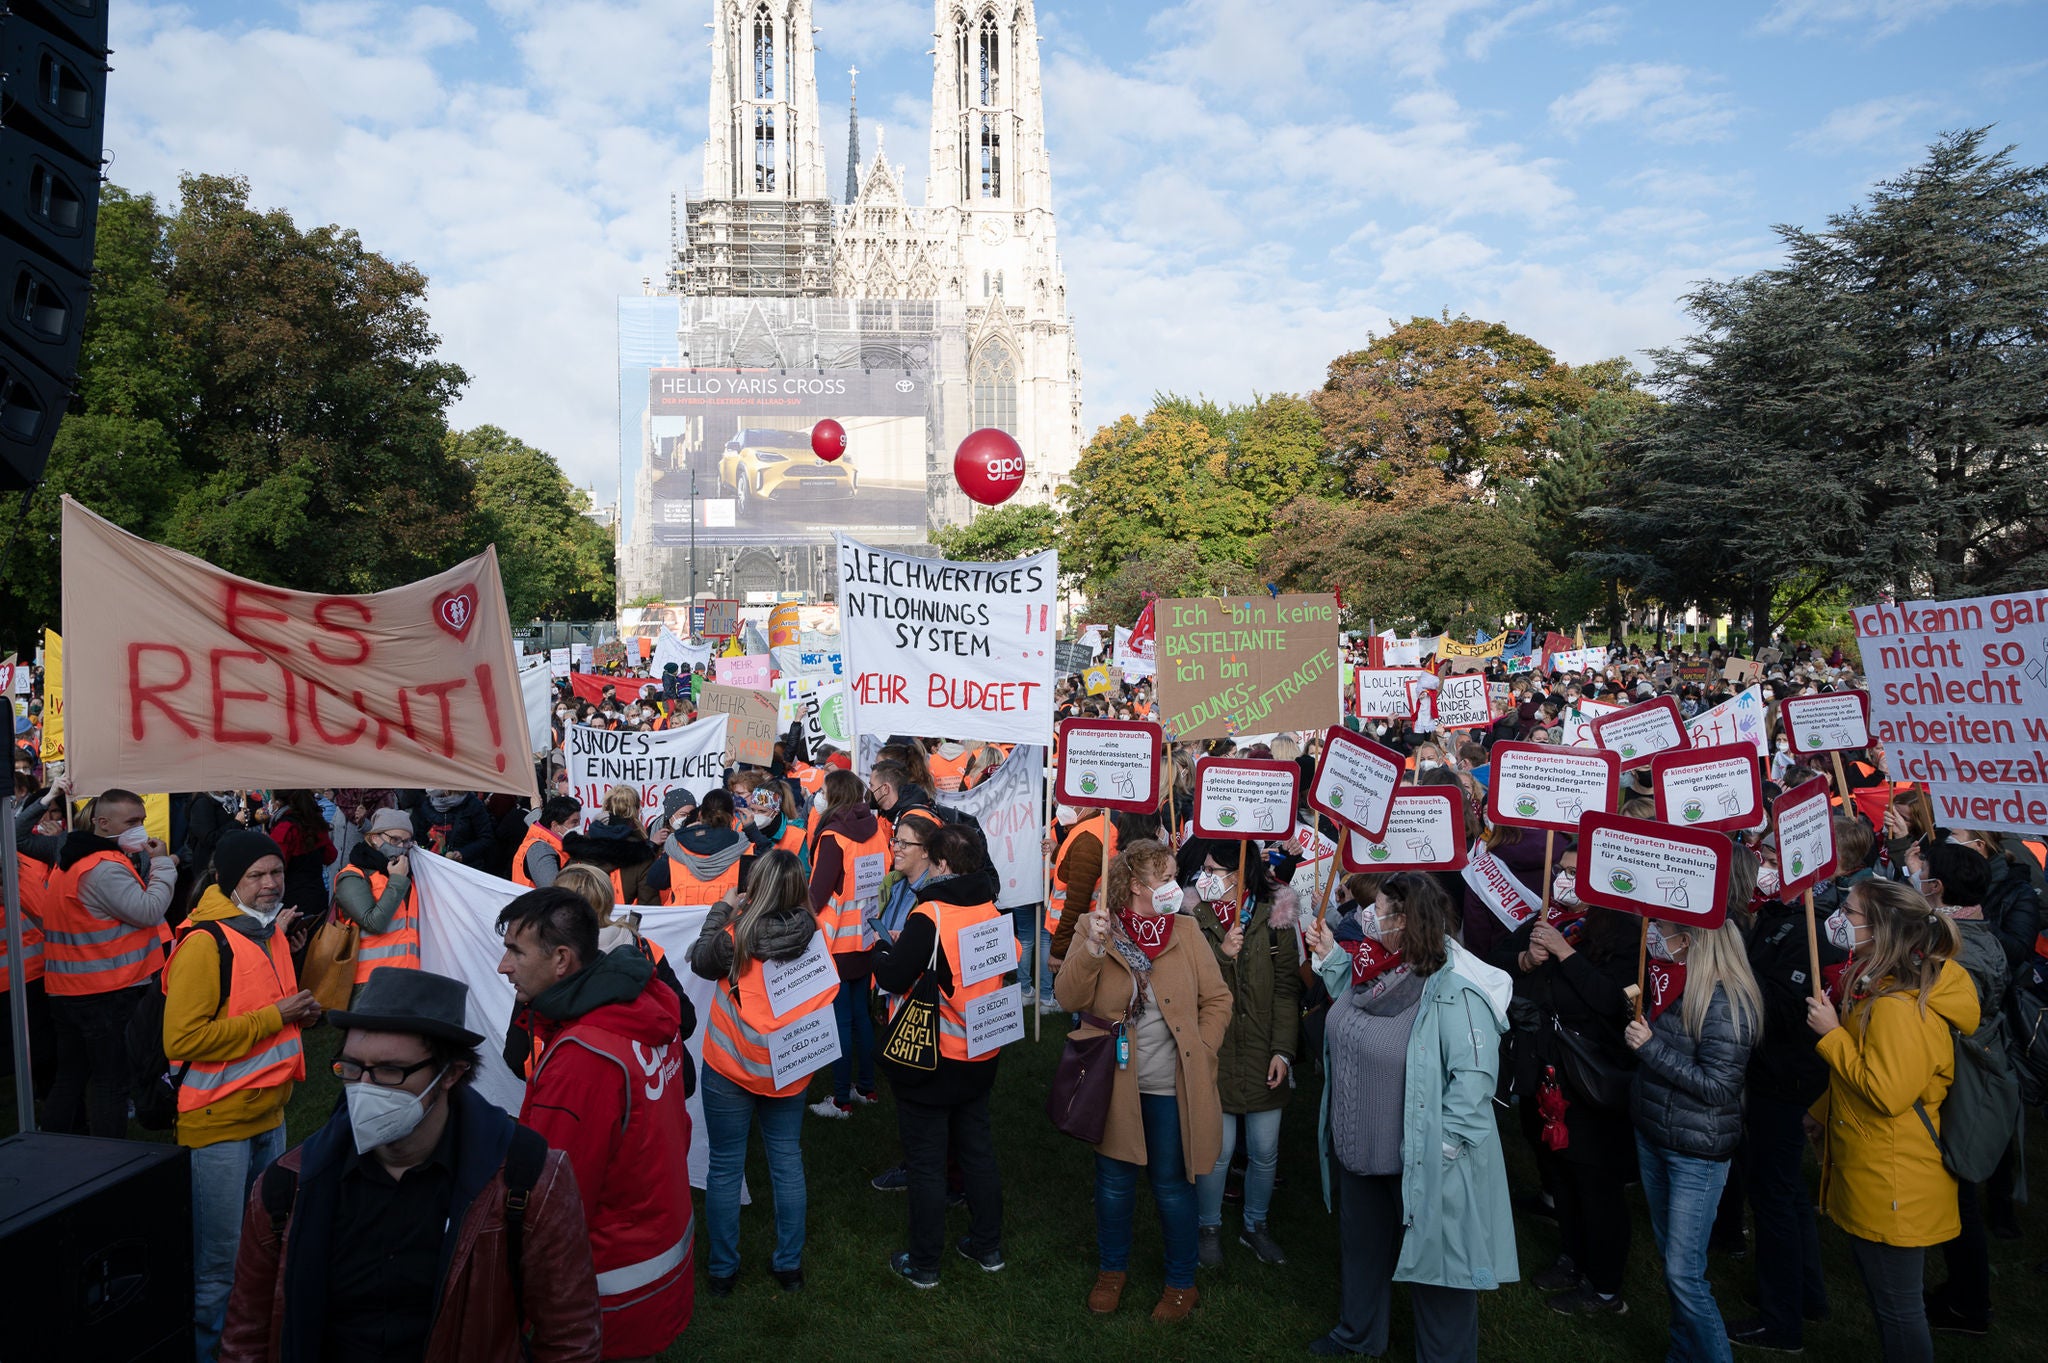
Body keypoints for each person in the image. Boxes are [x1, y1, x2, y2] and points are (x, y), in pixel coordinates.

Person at [218, 968, 602, 1363]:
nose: (365, 1088)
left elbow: (569, 1340)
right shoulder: (288, 1187)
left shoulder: (526, 1179)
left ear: (451, 1074)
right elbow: (246, 1339)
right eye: (352, 1068)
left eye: (389, 1071)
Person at [1307, 871, 1517, 1359]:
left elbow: (1474, 1080)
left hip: (1424, 1162)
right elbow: (1358, 1000)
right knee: (1361, 1250)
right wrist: (1332, 958)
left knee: (1440, 1269)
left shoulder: (1456, 988)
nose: (1366, 917)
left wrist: (1445, 1148)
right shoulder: (1375, 965)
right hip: (1361, 1148)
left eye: (1377, 910)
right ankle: (1357, 1334)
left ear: (1403, 922)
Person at [497, 887, 694, 1359]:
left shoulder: (583, 1058)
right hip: (657, 1260)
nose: (504, 966)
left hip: (604, 1299)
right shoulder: (644, 1006)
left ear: (562, 960)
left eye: (515, 952)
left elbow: (550, 1206)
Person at [1056, 840, 1232, 1322]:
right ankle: (1112, 1272)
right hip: (1115, 1087)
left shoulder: (1188, 931)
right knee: (1113, 1183)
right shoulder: (1098, 928)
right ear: (1135, 885)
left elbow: (1218, 999)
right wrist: (1091, 947)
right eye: (1166, 877)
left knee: (1173, 1185)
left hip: (1173, 1088)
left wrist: (1203, 1048)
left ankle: (1181, 1282)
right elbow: (1066, 993)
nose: (1177, 886)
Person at [1807, 878, 1979, 1363]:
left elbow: (1888, 1092)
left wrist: (1831, 1035)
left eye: (1851, 911)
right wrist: (1821, 1112)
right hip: (1883, 1170)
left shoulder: (1899, 1008)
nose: (1840, 917)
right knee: (1891, 1304)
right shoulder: (1884, 990)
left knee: (1899, 1310)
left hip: (1894, 1180)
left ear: (1881, 930)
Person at [164, 830, 320, 1361]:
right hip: (217, 1123)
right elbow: (183, 1039)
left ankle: (253, 1344)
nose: (271, 883)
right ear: (228, 879)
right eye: (256, 875)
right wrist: (279, 1015)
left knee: (263, 1245)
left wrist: (297, 1013)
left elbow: (261, 1012)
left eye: (276, 872)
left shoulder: (268, 932)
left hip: (268, 1111)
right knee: (220, 1262)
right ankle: (213, 1351)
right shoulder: (204, 943)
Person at [1622, 903, 1764, 1363]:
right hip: (1656, 1135)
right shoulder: (1674, 984)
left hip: (1695, 1154)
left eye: (1661, 929)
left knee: (1685, 1275)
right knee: (1674, 1264)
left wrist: (1650, 1048)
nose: (1654, 937)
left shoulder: (1726, 1000)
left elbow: (1720, 1086)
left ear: (1691, 940)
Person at [689, 850, 835, 1295]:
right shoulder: (818, 935)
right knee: (787, 1161)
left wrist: (723, 908)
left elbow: (699, 959)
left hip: (730, 1064)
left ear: (760, 888)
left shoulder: (735, 936)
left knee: (726, 1165)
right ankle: (789, 1266)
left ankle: (722, 1270)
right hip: (788, 1068)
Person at [868, 824, 1007, 1287]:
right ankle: (988, 1247)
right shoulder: (991, 906)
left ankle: (925, 1263)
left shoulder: (930, 914)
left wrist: (880, 954)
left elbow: (894, 976)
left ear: (942, 865)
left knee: (927, 1163)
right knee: (978, 1153)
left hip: (932, 1057)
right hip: (982, 1051)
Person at [1488, 893, 1637, 1316]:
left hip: (1592, 1079)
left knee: (1595, 1180)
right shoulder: (1552, 919)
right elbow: (1494, 959)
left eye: (1576, 873)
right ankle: (1572, 1259)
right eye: (1563, 872)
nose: (1566, 882)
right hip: (1548, 1068)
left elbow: (1612, 1001)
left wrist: (1564, 952)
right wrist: (1526, 960)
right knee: (1563, 1171)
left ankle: (1606, 1287)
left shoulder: (1627, 934)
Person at [1731, 847, 1848, 1352]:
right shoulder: (1778, 914)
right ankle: (1807, 1294)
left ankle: (1781, 1323)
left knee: (1773, 1196)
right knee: (1784, 1189)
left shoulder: (1809, 929)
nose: (1767, 860)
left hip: (1785, 1078)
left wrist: (1733, 963)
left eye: (1777, 853)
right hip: (1772, 1075)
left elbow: (1785, 1009)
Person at [1181, 837, 1300, 1268]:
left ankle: (1255, 1225)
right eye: (1204, 871)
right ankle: (1208, 1227)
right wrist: (1220, 951)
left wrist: (1283, 1051)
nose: (1205, 879)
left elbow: (1287, 989)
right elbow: (1187, 983)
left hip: (1264, 1047)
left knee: (1265, 1150)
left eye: (1214, 872)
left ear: (1239, 872)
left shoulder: (1276, 913)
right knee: (1218, 1149)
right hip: (1217, 1049)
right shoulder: (1193, 912)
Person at [43, 788, 179, 1137]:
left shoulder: (74, 859)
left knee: (71, 1076)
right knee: (110, 1082)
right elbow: (148, 910)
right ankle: (109, 1160)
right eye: (132, 822)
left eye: (142, 821)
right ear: (103, 823)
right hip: (106, 992)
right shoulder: (102, 867)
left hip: (69, 989)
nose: (141, 830)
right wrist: (163, 864)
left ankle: (55, 1144)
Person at [807, 769, 887, 1117]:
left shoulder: (833, 836)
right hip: (865, 937)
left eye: (823, 790)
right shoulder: (875, 830)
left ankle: (840, 1099)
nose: (819, 795)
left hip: (835, 941)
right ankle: (866, 1088)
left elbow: (818, 893)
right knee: (860, 1016)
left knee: (839, 1020)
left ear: (834, 795)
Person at [333, 808, 420, 1002]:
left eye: (407, 841)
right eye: (395, 839)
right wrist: (397, 881)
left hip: (408, 973)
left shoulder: (406, 873)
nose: (402, 847)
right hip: (368, 980)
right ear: (373, 838)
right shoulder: (353, 875)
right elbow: (373, 923)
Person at [562, 786, 663, 906]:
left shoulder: (579, 848)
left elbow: (564, 892)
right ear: (635, 811)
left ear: (605, 808)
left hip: (583, 920)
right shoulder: (642, 854)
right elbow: (648, 907)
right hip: (622, 922)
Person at [646, 789, 747, 906]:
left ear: (699, 814)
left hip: (683, 920)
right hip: (726, 920)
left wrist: (684, 832)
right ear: (731, 817)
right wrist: (753, 832)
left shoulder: (677, 843)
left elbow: (655, 880)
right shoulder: (744, 844)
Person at [263, 790, 336, 919]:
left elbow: (272, 867)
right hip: (318, 896)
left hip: (292, 904)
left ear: (278, 801)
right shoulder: (315, 821)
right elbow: (330, 856)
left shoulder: (285, 828)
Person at [512, 795, 584, 889]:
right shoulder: (540, 850)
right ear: (555, 825)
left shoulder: (557, 843)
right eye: (574, 822)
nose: (579, 826)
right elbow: (553, 891)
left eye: (579, 821)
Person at [413, 787, 495, 865]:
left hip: (465, 867)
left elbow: (486, 838)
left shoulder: (473, 804)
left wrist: (463, 853)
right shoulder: (426, 804)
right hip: (433, 865)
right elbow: (420, 836)